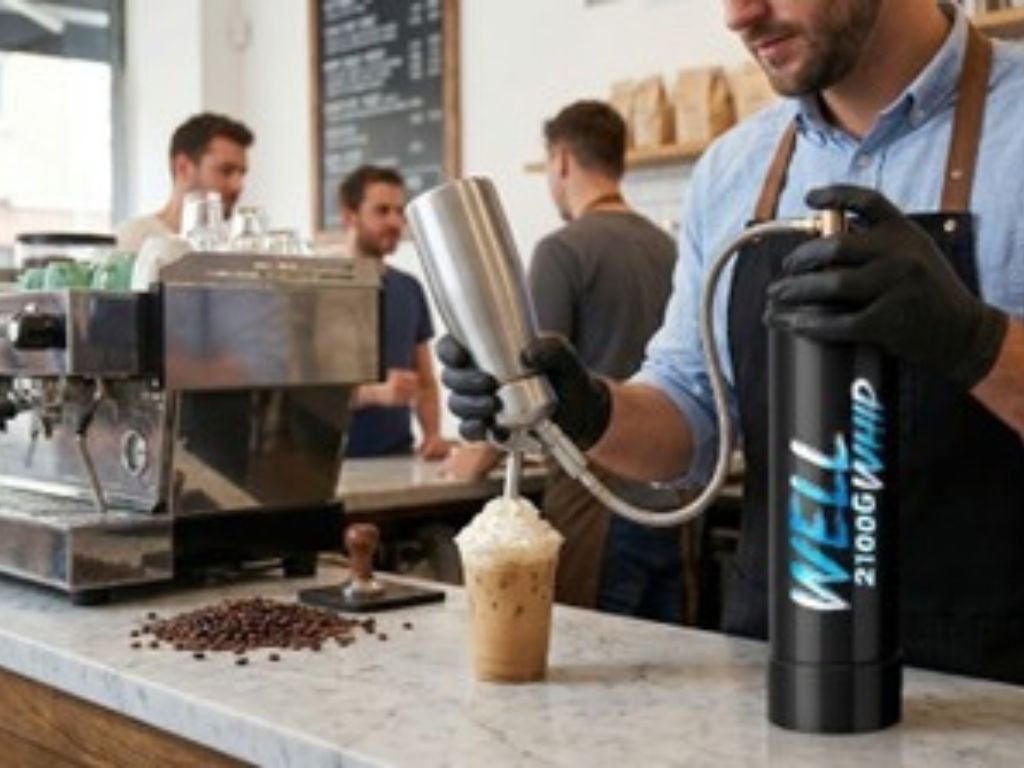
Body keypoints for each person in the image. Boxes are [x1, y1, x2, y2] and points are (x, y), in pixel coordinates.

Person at [440, 0, 1024, 684]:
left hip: (993, 683)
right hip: (775, 669)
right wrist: (586, 410)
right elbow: (690, 421)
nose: (739, 15)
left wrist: (972, 340)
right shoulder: (734, 171)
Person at [446, 100, 686, 621]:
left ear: (560, 161)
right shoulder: (669, 247)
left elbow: (521, 377)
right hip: (673, 501)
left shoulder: (562, 250)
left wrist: (477, 457)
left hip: (592, 503)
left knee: (592, 660)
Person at [340, 165, 450, 461]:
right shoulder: (321, 288)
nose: (395, 221)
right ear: (349, 215)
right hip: (334, 463)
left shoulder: (409, 288)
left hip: (398, 457)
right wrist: (376, 393)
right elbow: (302, 394)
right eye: (382, 210)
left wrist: (433, 436)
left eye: (400, 211)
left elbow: (426, 381)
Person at [117, 112, 254, 251]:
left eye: (242, 173)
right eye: (225, 171)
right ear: (183, 168)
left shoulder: (235, 247)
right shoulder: (131, 241)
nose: (238, 186)